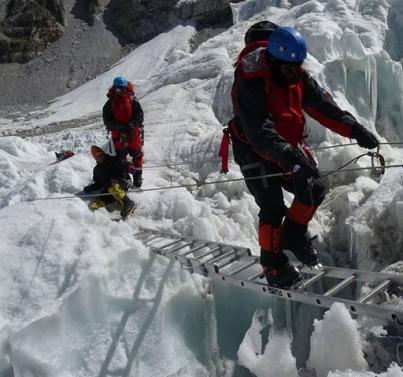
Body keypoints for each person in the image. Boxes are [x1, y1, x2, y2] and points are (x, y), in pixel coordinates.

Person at [229, 26, 379, 288]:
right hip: (253, 148)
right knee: (272, 206)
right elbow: (259, 130)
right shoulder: (251, 79)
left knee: (314, 186)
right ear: (274, 60)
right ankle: (273, 266)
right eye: (288, 68)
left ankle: (294, 236)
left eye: (296, 67)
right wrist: (290, 157)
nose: (293, 73)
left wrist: (355, 129)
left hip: (286, 145)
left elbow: (323, 106)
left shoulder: (296, 74)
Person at [103, 76, 144, 188]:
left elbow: (139, 116)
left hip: (132, 134)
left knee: (137, 155)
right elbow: (107, 120)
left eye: (122, 89)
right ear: (114, 89)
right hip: (119, 135)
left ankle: (137, 176)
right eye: (118, 89)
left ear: (126, 88)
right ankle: (125, 176)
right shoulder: (109, 104)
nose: (120, 91)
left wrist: (131, 126)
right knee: (121, 158)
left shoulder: (133, 101)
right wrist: (120, 127)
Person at [83, 145, 136, 219]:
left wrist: (130, 167)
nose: (100, 157)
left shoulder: (113, 160)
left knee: (111, 183)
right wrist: (90, 188)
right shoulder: (97, 170)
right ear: (95, 158)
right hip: (111, 189)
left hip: (123, 182)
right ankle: (92, 215)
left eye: (100, 154)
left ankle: (128, 202)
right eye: (97, 156)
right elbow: (99, 184)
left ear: (103, 153)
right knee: (98, 201)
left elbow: (125, 164)